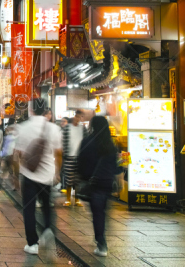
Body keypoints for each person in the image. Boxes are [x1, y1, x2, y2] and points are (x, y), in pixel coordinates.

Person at [15, 99, 62, 262]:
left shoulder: (23, 128)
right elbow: (59, 153)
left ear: (31, 110)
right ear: (45, 110)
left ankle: (32, 244)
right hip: (47, 175)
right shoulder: (54, 129)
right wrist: (57, 172)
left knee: (29, 209)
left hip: (29, 175)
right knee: (47, 205)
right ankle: (48, 229)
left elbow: (19, 154)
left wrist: (16, 173)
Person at [77, 115, 120, 258]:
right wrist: (117, 179)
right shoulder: (110, 143)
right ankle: (101, 239)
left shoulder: (87, 141)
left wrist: (81, 178)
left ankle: (101, 243)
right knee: (102, 211)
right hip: (106, 182)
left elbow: (80, 161)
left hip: (92, 182)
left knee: (97, 213)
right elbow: (116, 165)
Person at [62, 109, 87, 207]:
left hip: (80, 158)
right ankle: (68, 199)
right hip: (69, 157)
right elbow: (64, 142)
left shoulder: (83, 128)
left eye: (81, 117)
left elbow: (86, 141)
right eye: (77, 116)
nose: (78, 119)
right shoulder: (67, 128)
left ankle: (77, 199)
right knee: (69, 180)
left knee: (77, 180)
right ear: (75, 116)